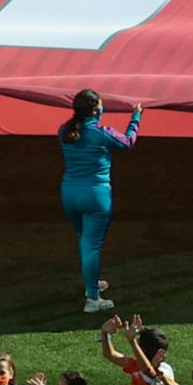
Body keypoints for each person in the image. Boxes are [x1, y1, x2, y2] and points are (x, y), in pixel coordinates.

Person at [58, 89, 140, 313]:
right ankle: (93, 299)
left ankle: (91, 284)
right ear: (96, 110)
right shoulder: (103, 133)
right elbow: (128, 142)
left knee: (85, 241)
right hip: (96, 197)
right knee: (91, 247)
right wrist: (136, 118)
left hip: (69, 196)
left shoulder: (64, 131)